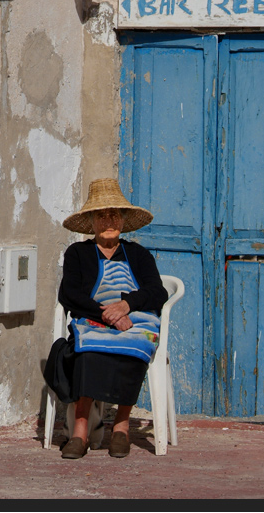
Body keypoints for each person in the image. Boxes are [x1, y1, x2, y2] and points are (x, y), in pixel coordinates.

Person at [44, 178, 168, 459]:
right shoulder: (78, 253)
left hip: (133, 320)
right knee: (88, 352)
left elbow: (156, 291)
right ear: (91, 221)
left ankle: (121, 426)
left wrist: (126, 305)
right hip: (94, 318)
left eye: (114, 214)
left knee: (136, 346)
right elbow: (70, 293)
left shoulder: (138, 254)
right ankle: (80, 431)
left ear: (123, 220)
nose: (109, 220)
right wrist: (106, 315)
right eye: (102, 215)